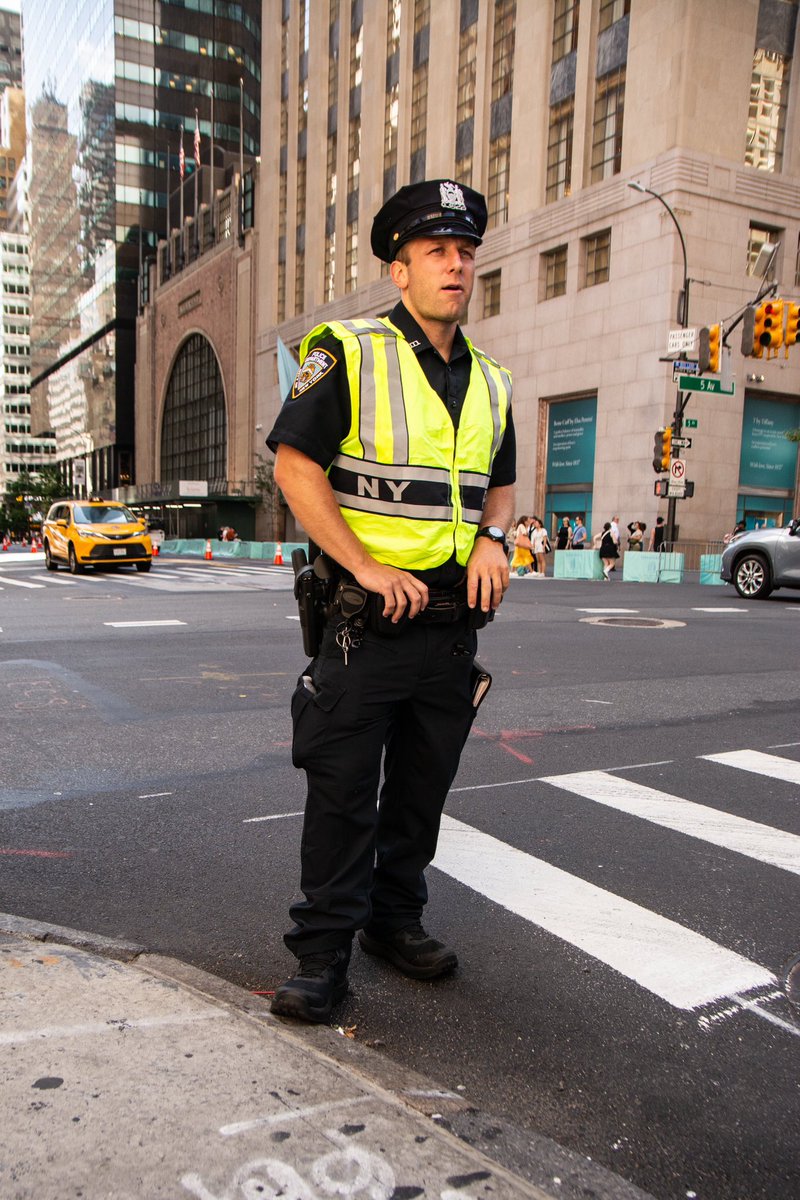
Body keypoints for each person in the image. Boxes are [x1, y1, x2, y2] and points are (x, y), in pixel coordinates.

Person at [266, 179, 516, 1023]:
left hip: (449, 631)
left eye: (466, 251)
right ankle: (322, 956)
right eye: (437, 251)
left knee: (419, 792)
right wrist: (365, 566)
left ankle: (392, 922)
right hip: (363, 628)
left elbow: (500, 483)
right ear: (399, 269)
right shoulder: (349, 350)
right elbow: (294, 467)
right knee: (342, 796)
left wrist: (494, 539)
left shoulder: (492, 380)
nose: (456, 265)